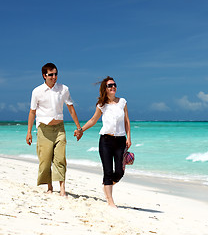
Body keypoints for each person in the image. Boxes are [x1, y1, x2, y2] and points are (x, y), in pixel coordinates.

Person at [26, 63, 83, 197]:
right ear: (44, 76)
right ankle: (50, 187)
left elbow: (70, 108)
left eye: (56, 74)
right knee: (45, 161)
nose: (54, 77)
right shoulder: (37, 91)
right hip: (44, 130)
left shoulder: (64, 89)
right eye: (51, 74)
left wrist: (79, 128)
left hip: (59, 129)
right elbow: (32, 112)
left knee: (60, 159)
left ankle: (62, 189)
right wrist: (29, 132)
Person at [75, 76, 131, 208]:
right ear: (105, 89)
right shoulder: (102, 105)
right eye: (110, 85)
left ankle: (107, 185)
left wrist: (129, 137)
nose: (113, 87)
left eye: (114, 85)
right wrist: (81, 130)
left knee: (119, 172)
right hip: (106, 141)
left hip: (121, 141)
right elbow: (93, 120)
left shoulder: (122, 102)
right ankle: (110, 200)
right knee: (108, 171)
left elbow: (127, 121)